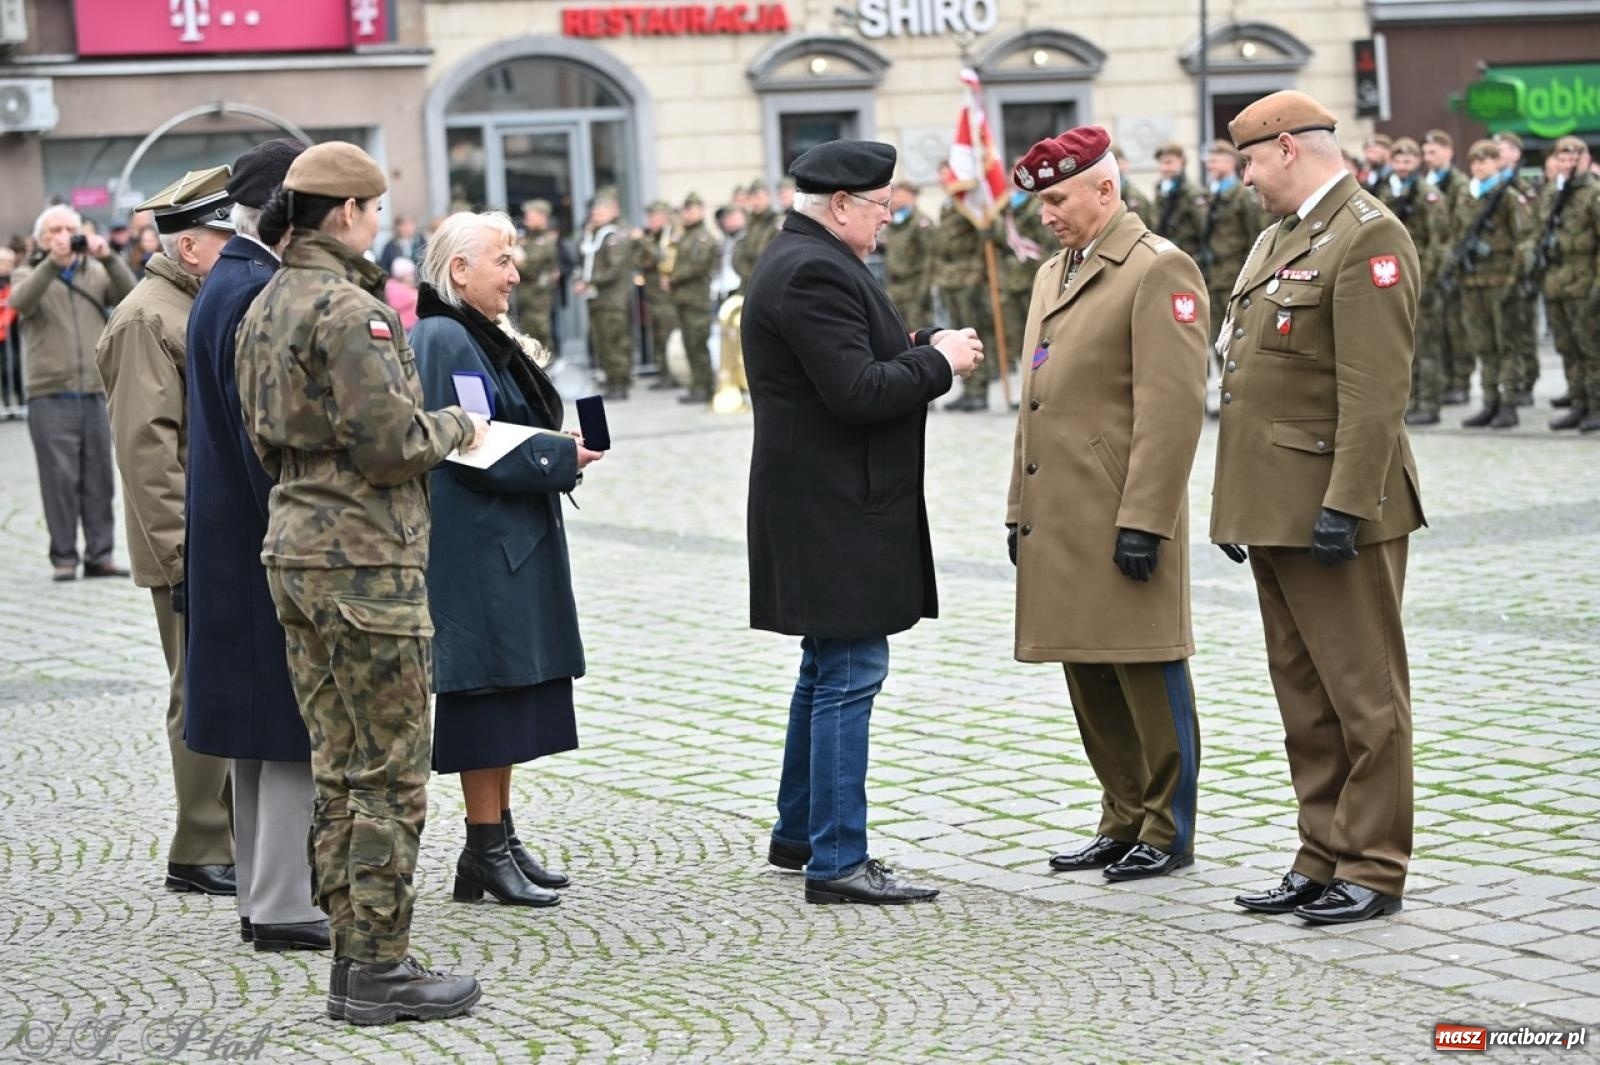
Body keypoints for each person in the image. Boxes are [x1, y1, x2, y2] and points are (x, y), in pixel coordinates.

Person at [234, 141, 488, 1024]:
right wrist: (457, 423)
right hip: (365, 562)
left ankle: (355, 960)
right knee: (388, 771)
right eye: (375, 211)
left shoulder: (264, 301)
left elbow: (262, 439)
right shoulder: (351, 311)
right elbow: (391, 445)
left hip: (295, 551)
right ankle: (379, 968)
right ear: (346, 213)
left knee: (338, 766)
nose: (378, 225)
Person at [742, 139, 984, 905]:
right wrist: (938, 364)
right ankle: (838, 858)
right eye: (880, 208)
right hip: (834, 506)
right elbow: (854, 389)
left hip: (824, 501)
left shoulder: (806, 256)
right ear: (840, 204)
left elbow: (847, 359)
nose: (887, 221)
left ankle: (801, 831)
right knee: (851, 672)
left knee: (825, 668)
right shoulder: (812, 268)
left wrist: (914, 346)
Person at [1214, 91, 1424, 925]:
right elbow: (1247, 376)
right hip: (1274, 506)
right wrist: (1239, 505)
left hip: (1339, 510)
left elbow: (1376, 391)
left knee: (1365, 698)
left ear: (1291, 148)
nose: (1247, 178)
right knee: (1303, 696)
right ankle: (1321, 853)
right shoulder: (1278, 236)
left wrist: (1346, 504)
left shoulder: (1369, 233)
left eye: (1251, 162)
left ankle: (1373, 863)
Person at [1006, 127, 1207, 882]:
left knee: (1146, 669)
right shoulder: (1054, 272)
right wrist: (1016, 502)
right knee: (1089, 672)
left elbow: (1173, 408)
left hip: (1122, 510)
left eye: (1057, 197)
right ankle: (1121, 814)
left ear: (1105, 189)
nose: (1046, 214)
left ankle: (1166, 824)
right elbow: (1035, 401)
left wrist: (1147, 519)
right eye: (1041, 201)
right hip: (1060, 512)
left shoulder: (1158, 269)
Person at [412, 211, 604, 909]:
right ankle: (485, 847)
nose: (516, 273)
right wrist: (559, 455)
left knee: (510, 696)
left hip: (503, 544)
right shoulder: (444, 336)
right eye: (503, 259)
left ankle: (496, 840)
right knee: (487, 700)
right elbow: (472, 443)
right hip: (477, 551)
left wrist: (556, 446)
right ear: (459, 270)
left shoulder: (469, 332)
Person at [185, 137, 333, 954]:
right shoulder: (255, 290)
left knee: (255, 722)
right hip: (260, 533)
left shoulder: (228, 280)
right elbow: (262, 439)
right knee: (283, 719)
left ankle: (260, 889)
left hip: (229, 535)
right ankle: (281, 900)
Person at [93, 166, 239, 899]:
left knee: (223, 682)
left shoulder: (190, 306)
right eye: (223, 235)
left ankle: (231, 834)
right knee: (199, 687)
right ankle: (199, 844)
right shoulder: (148, 318)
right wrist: (181, 560)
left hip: (216, 536)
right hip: (187, 545)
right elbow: (148, 456)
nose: (233, 246)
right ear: (190, 247)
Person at [9, 204, 137, 580]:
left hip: (95, 390)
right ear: (41, 238)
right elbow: (20, 302)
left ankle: (101, 555)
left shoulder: (94, 270)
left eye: (70, 228)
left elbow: (130, 295)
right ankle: (64, 557)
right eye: (56, 230)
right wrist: (51, 262)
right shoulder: (27, 271)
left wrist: (109, 256)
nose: (65, 235)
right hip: (49, 392)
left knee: (99, 477)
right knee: (59, 479)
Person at [1453, 139, 1532, 430]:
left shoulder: (1508, 197)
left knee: (1506, 344)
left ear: (1496, 163)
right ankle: (1489, 401)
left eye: (1485, 161)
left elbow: (1524, 240)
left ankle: (1509, 403)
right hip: (1473, 282)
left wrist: (1514, 278)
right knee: (1483, 346)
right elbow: (1456, 234)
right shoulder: (1466, 197)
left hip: (1501, 281)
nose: (1479, 166)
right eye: (1474, 161)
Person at [1380, 138, 1449, 428]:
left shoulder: (1428, 194)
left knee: (1426, 345)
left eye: (1409, 160)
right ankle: (1408, 400)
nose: (1403, 165)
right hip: (1392, 276)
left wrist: (1429, 276)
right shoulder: (1386, 192)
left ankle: (1429, 402)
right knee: (1399, 346)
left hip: (1421, 274)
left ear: (1417, 162)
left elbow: (1439, 240)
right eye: (1398, 160)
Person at [1534, 137, 1600, 432]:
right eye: (1563, 158)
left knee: (1591, 349)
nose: (1569, 164)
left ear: (1586, 160)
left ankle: (1596, 405)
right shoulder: (1552, 193)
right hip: (1556, 282)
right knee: (1567, 347)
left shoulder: (1593, 194)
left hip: (1584, 281)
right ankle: (1578, 401)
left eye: (1575, 158)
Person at [932, 161, 991, 411]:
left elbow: (984, 239)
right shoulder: (949, 206)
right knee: (956, 332)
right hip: (950, 278)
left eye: (946, 175)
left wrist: (976, 273)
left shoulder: (969, 204)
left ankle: (979, 390)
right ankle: (967, 388)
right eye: (940, 176)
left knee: (972, 334)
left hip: (968, 278)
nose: (942, 180)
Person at [1421, 130, 1472, 406]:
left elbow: (1458, 226)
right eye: (1426, 153)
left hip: (1451, 264)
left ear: (1448, 152)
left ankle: (1460, 381)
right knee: (1436, 329)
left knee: (1456, 328)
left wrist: (1448, 261)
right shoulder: (1424, 185)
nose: (1429, 158)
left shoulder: (1459, 184)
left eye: (1434, 152)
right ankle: (1442, 380)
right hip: (1431, 265)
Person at [574, 190, 635, 399]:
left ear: (612, 211)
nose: (596, 213)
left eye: (601, 210)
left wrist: (589, 281)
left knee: (615, 343)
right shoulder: (596, 235)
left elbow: (614, 269)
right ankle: (612, 381)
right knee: (603, 343)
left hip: (612, 300)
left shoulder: (614, 236)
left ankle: (619, 384)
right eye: (595, 210)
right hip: (598, 299)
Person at [1199, 140, 1262, 342]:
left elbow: (1254, 235)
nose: (1210, 166)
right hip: (1212, 274)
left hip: (1234, 274)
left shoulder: (1243, 195)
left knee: (1234, 334)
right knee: (1215, 334)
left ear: (1230, 162)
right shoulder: (1210, 194)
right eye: (1208, 162)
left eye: (1214, 161)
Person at [667, 192, 717, 403]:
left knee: (698, 344)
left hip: (697, 300)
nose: (687, 214)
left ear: (701, 211)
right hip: (684, 299)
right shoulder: (685, 235)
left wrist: (673, 278)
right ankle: (697, 385)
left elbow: (697, 266)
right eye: (685, 210)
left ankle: (705, 387)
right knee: (689, 343)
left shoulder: (703, 237)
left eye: (692, 210)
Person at [634, 200, 680, 388]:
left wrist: (643, 241)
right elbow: (639, 261)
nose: (651, 220)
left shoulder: (672, 237)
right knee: (658, 337)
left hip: (667, 297)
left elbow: (660, 257)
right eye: (649, 216)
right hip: (653, 295)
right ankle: (663, 373)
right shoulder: (652, 238)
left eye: (654, 216)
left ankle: (672, 374)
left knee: (669, 336)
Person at [882, 178, 935, 328]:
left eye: (899, 195)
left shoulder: (921, 222)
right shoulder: (895, 222)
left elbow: (929, 259)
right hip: (896, 287)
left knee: (917, 331)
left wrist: (923, 291)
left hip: (915, 288)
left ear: (911, 197)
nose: (895, 199)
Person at [513, 199, 559, 353]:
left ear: (541, 216)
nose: (526, 218)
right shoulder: (528, 239)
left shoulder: (544, 241)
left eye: (530, 214)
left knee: (539, 339)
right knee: (527, 340)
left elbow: (531, 269)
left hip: (537, 300)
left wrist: (519, 259)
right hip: (526, 299)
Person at [1153, 142, 1205, 260]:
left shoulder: (1192, 193)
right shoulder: (1160, 189)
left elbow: (1203, 231)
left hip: (1187, 257)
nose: (1164, 168)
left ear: (1181, 162)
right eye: (1161, 163)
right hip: (1164, 256)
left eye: (1169, 162)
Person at [386, 257, 419, 331]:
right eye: (410, 275)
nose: (412, 278)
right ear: (402, 275)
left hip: (411, 326)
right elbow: (396, 303)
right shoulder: (393, 288)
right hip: (404, 327)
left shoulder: (407, 287)